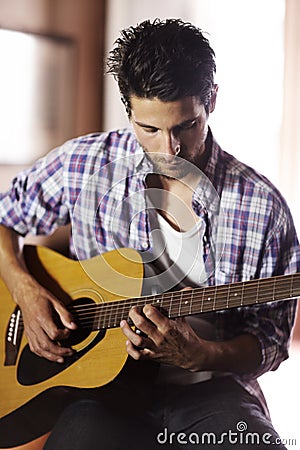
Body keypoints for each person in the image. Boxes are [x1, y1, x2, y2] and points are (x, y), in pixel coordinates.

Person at [0, 18, 299, 450]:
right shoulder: (82, 165)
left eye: (186, 126)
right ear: (129, 109)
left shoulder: (264, 207)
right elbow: (5, 218)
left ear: (211, 100)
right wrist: (24, 289)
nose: (169, 150)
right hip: (98, 395)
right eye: (150, 129)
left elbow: (270, 341)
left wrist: (202, 354)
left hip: (210, 392)